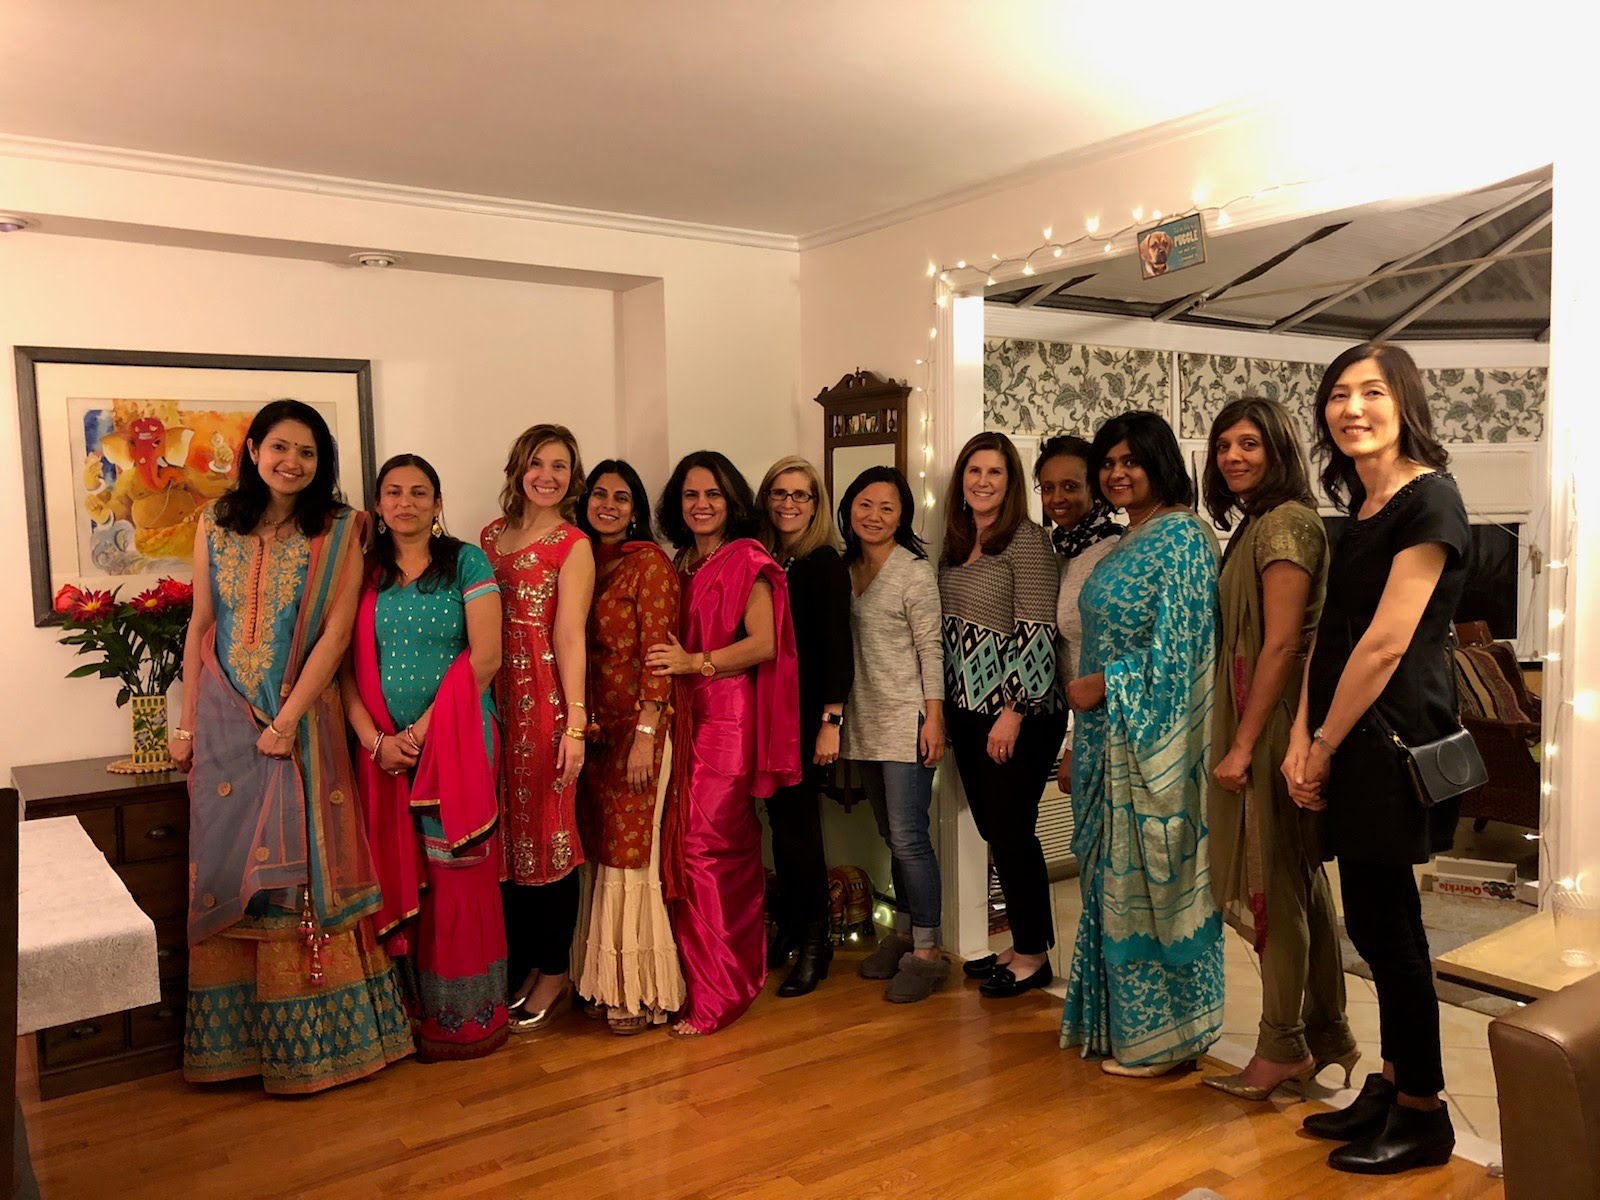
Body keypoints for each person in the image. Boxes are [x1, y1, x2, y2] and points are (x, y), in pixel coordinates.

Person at [172, 398, 413, 1094]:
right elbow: (202, 624)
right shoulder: (215, 522)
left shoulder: (340, 529)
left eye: (308, 452)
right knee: (227, 863)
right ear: (253, 451)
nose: (292, 462)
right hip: (223, 722)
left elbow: (335, 635)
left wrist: (286, 721)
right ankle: (236, 1046)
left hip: (301, 722)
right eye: (280, 447)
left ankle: (318, 1047)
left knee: (298, 871)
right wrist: (185, 725)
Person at [1287, 343, 1468, 1174]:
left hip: (1390, 742)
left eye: (1371, 392)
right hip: (1344, 738)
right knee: (1372, 917)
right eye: (1337, 394)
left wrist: (1323, 742)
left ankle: (1424, 1114)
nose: (1351, 408)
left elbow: (1387, 643)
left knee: (1388, 930)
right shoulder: (1360, 510)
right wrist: (1301, 735)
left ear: (1406, 405)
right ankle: (1394, 1084)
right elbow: (1329, 635)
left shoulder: (1433, 501)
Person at [1197, 399, 1356, 1101]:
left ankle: (1281, 1046)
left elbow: (1285, 644)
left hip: (1270, 724)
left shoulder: (1286, 523)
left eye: (1249, 444)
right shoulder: (1259, 523)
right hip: (1263, 718)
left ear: (1278, 451)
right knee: (1297, 880)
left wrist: (1242, 744)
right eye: (1223, 445)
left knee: (1274, 886)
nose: (1233, 457)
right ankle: (1324, 1035)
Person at [1058, 410, 1225, 1077]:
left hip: (1157, 747)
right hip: (1106, 742)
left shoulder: (1183, 538)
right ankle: (1121, 1028)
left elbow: (1187, 656)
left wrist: (1107, 684)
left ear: (1160, 463)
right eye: (1107, 463)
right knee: (1107, 886)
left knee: (1155, 888)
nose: (1117, 473)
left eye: (1130, 460)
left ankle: (1169, 1040)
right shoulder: (1130, 538)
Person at [341, 454, 509, 1060]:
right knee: (398, 872)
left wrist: (418, 736)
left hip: (457, 744)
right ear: (378, 505)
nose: (405, 502)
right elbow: (343, 668)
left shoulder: (465, 562)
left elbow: (485, 658)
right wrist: (377, 742)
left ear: (438, 503)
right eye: (393, 492)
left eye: (419, 492)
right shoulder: (363, 572)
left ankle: (465, 1020)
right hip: (382, 756)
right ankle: (406, 1017)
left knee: (457, 880)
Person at [646, 451, 801, 1036]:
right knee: (677, 845)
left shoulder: (748, 559)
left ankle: (723, 992)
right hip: (683, 717)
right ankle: (688, 982)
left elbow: (764, 644)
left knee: (707, 848)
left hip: (727, 719)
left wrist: (695, 663)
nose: (702, 504)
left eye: (713, 493)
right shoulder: (680, 562)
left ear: (732, 501)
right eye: (691, 494)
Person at [939, 432, 1066, 999]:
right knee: (996, 829)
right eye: (974, 471)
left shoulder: (1028, 542)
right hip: (968, 710)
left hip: (1019, 712)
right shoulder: (958, 541)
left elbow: (1038, 631)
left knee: (1012, 831)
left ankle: (1034, 955)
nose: (983, 481)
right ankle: (1020, 943)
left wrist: (1013, 710)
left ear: (1011, 482)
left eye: (995, 472)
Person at [480, 424, 595, 1033]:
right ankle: (525, 964)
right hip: (491, 702)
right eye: (537, 463)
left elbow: (570, 635)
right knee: (504, 840)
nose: (547, 476)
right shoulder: (488, 538)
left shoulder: (573, 544)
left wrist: (575, 724)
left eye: (560, 466)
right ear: (518, 467)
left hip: (544, 704)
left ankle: (555, 971)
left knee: (549, 837)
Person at [573, 459, 686, 1035]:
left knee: (628, 855)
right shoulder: (579, 560)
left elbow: (658, 656)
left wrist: (646, 734)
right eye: (600, 494)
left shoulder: (650, 565)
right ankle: (599, 977)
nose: (609, 505)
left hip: (637, 732)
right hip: (590, 734)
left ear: (636, 510)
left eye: (621, 497)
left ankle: (637, 991)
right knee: (598, 851)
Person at [838, 466, 949, 1003]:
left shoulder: (913, 571)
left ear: (903, 515)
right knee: (891, 837)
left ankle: (928, 953)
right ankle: (903, 935)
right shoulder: (844, 567)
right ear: (849, 508)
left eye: (887, 507)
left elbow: (932, 648)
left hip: (908, 720)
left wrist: (935, 719)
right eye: (865, 504)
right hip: (863, 722)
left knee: (909, 839)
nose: (874, 516)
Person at [756, 455, 853, 998]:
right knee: (780, 825)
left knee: (799, 832)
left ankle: (817, 942)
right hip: (768, 712)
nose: (789, 503)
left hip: (807, 716)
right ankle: (793, 925)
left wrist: (830, 722)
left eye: (801, 495)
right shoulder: (765, 556)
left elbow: (838, 647)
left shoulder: (823, 563)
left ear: (816, 505)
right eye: (780, 493)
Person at [1035, 435, 1123, 795]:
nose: (1057, 498)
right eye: (1048, 487)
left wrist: (1074, 745)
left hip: (1107, 724)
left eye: (1070, 486)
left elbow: (1110, 655)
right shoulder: (1059, 550)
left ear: (1095, 489)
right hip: (1075, 719)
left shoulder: (1112, 552)